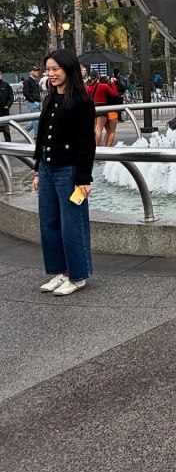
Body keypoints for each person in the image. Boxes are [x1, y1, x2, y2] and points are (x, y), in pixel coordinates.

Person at [32, 49, 96, 297]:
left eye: (56, 69)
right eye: (48, 69)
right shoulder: (50, 99)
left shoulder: (81, 102)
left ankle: (77, 275)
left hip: (68, 170)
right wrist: (37, 169)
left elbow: (86, 143)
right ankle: (60, 271)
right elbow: (41, 138)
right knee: (49, 223)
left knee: (72, 225)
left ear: (68, 70)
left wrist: (84, 178)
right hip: (48, 168)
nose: (51, 74)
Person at [90, 76, 121, 146]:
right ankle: (100, 146)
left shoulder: (94, 87)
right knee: (108, 130)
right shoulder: (105, 86)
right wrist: (113, 83)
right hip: (105, 109)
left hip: (95, 108)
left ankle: (100, 146)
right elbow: (115, 93)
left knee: (102, 129)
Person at [22, 64, 41, 137]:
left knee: (36, 119)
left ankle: (25, 130)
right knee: (36, 120)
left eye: (37, 71)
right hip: (33, 102)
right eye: (34, 71)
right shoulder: (27, 81)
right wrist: (33, 101)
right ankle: (36, 136)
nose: (37, 72)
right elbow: (26, 93)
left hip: (37, 102)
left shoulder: (35, 81)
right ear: (30, 72)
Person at [0, 70, 14, 142]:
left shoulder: (6, 85)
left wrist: (8, 105)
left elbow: (11, 97)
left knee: (6, 131)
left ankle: (9, 145)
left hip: (4, 112)